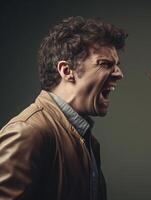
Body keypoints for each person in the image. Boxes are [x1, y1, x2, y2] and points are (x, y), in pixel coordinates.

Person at [0, 16, 127, 200]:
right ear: (67, 71)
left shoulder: (89, 142)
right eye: (105, 64)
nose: (119, 74)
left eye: (116, 65)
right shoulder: (28, 132)